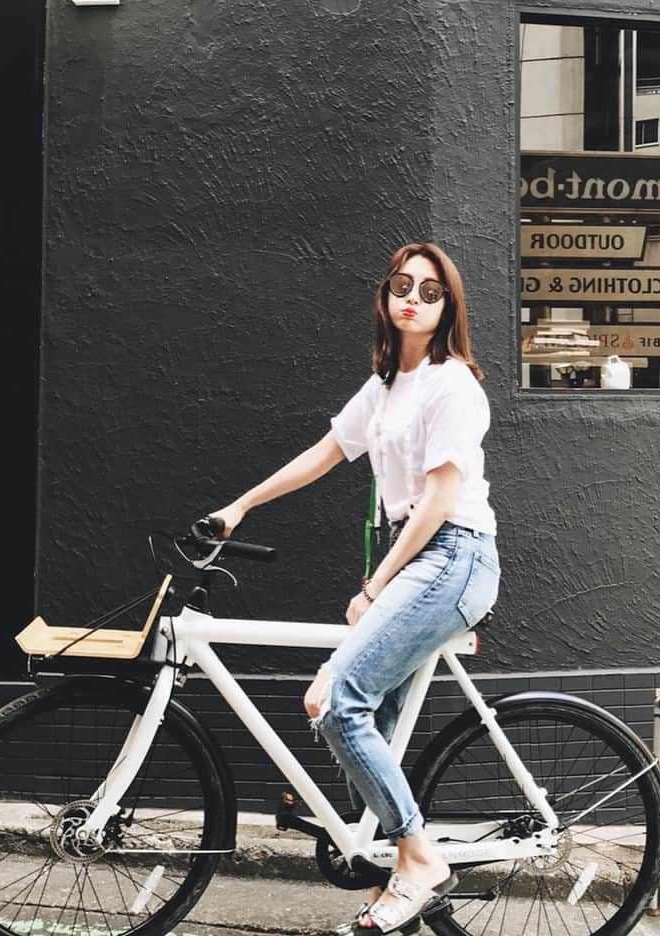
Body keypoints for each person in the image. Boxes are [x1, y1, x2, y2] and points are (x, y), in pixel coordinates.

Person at [208, 242, 499, 934]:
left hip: (452, 554)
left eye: (431, 292)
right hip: (423, 558)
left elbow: (437, 503)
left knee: (335, 700)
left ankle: (421, 859)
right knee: (365, 728)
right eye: (403, 285)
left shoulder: (454, 385)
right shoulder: (385, 388)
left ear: (448, 307)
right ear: (385, 295)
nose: (414, 298)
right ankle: (401, 863)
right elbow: (326, 452)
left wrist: (376, 585)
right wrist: (241, 505)